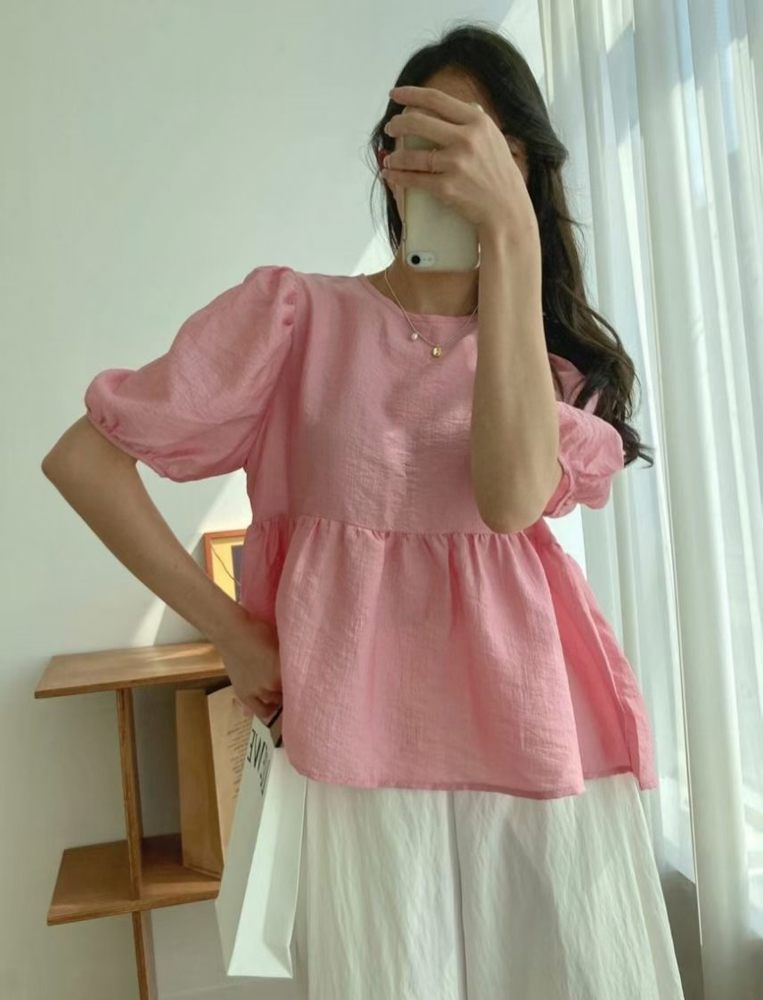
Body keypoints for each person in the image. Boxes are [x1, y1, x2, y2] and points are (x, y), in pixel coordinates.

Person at [42, 22, 686, 1000]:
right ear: (388, 159)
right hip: (355, 747)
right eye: (428, 138)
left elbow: (509, 497)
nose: (456, 166)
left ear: (522, 170)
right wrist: (232, 634)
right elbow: (85, 460)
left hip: (530, 738)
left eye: (485, 145)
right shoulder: (293, 318)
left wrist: (511, 242)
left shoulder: (547, 364)